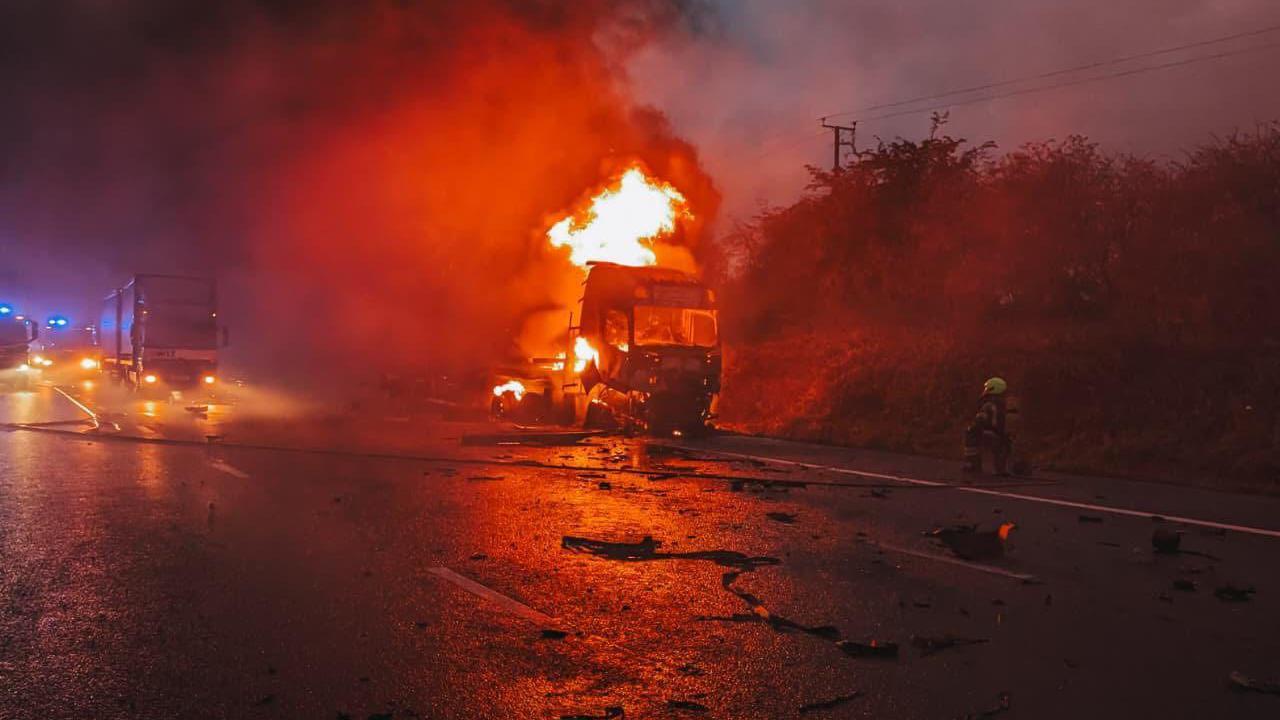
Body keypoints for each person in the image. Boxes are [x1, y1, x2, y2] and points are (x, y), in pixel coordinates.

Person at [964, 376, 1012, 475]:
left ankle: (972, 464)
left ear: (993, 388)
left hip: (992, 435)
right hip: (1006, 438)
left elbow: (980, 421)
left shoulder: (988, 403)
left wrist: (973, 427)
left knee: (970, 432)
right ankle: (1001, 469)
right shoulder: (1007, 403)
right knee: (1001, 449)